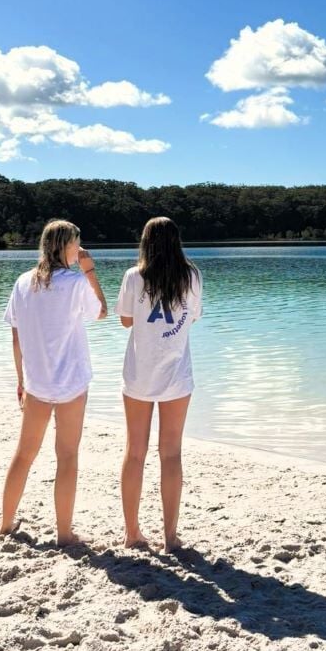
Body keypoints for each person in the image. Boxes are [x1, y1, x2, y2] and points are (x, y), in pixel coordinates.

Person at [0, 219, 107, 545]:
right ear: (66, 246)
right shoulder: (76, 283)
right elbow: (101, 311)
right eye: (77, 242)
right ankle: (63, 533)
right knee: (67, 456)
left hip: (37, 384)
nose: (80, 248)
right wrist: (89, 271)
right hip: (71, 382)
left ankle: (5, 524)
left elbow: (16, 337)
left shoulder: (23, 282)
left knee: (24, 454)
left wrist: (21, 380)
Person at [115, 217, 202, 552]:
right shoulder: (191, 276)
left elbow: (125, 321)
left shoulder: (133, 276)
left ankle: (132, 533)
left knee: (135, 452)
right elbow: (192, 317)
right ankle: (170, 536)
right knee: (171, 454)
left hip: (139, 374)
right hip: (176, 375)